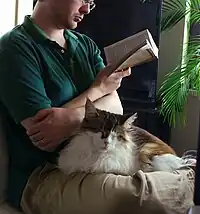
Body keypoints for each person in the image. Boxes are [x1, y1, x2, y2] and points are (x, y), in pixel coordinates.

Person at [0, 0, 195, 214]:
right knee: (142, 197)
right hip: (42, 176)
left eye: (90, 3)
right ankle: (191, 176)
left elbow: (116, 108)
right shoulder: (14, 47)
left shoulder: (85, 45)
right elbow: (46, 133)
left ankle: (190, 175)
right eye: (83, 0)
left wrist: (71, 118)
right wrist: (98, 89)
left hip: (94, 161)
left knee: (161, 176)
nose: (86, 9)